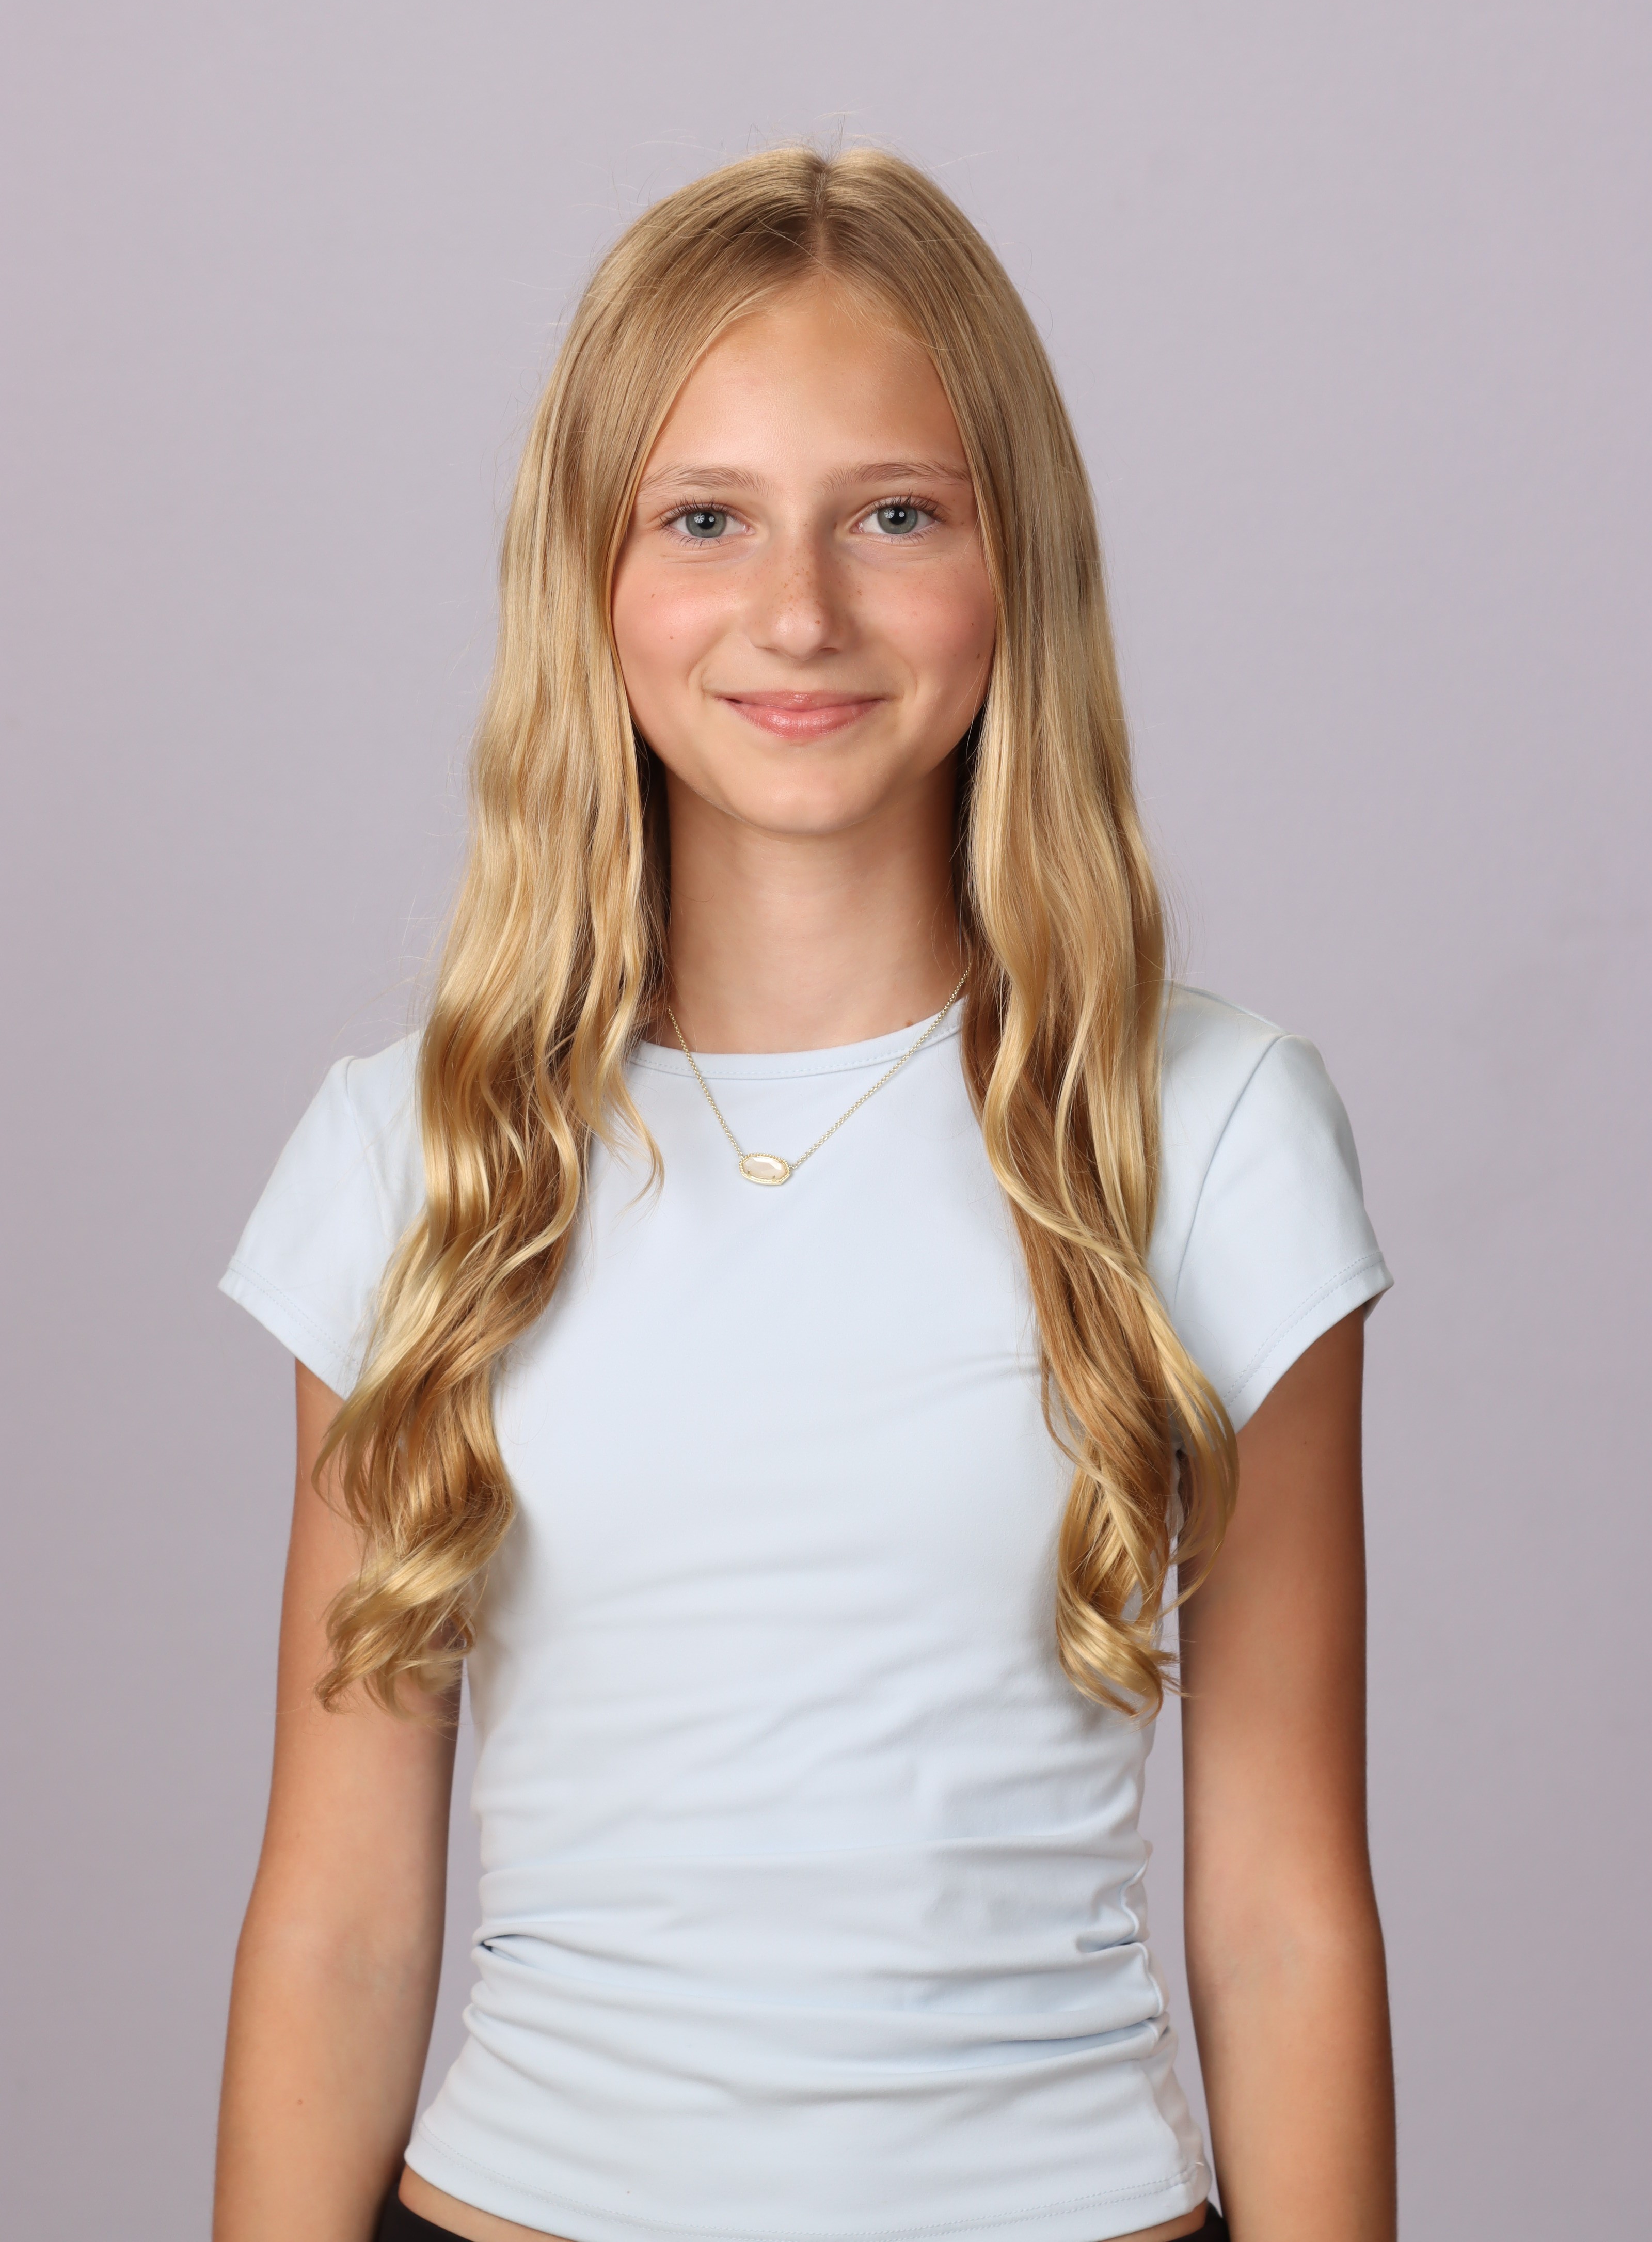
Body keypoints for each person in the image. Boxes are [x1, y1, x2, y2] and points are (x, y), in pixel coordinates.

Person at [213, 147, 1397, 2242]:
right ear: (589, 578)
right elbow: (341, 1917)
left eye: (893, 515)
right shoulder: (418, 1154)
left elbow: (1284, 1911)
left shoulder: (1205, 1128)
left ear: (1013, 561)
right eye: (705, 519)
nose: (799, 613)